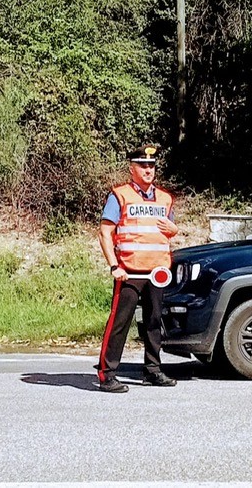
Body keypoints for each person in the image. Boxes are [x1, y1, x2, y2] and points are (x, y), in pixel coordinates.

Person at [96, 145, 180, 393]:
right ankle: (107, 374)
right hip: (129, 271)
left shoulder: (165, 198)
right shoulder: (119, 195)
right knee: (119, 323)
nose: (148, 170)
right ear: (132, 168)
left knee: (154, 322)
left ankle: (152, 370)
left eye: (152, 166)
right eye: (143, 165)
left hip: (157, 272)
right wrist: (114, 265)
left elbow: (170, 229)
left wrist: (174, 231)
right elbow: (104, 233)